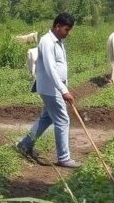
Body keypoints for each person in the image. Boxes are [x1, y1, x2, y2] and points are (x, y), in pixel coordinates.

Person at [17, 13, 81, 168]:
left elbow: (60, 66)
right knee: (63, 120)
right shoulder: (47, 41)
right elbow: (51, 69)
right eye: (66, 29)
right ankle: (64, 158)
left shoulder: (58, 41)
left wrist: (64, 86)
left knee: (46, 118)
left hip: (54, 87)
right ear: (57, 26)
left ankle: (24, 145)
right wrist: (63, 90)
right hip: (50, 89)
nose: (68, 33)